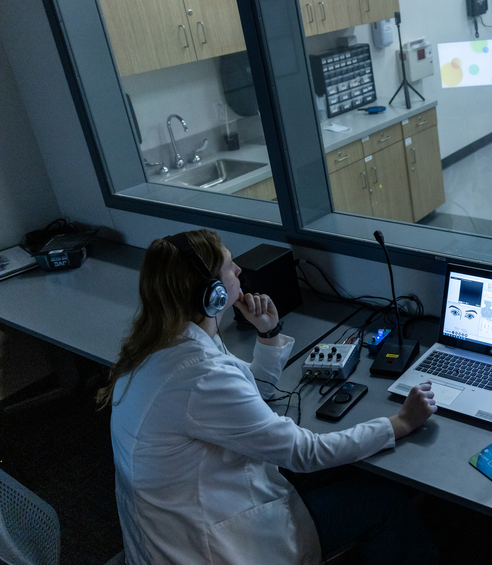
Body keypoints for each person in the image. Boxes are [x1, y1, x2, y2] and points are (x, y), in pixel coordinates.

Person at [96, 229, 439, 564]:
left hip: (175, 526)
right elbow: (305, 453)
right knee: (382, 500)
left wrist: (268, 333)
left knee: (344, 473)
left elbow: (242, 402)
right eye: (229, 265)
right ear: (213, 292)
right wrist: (400, 422)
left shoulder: (159, 344)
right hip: (211, 546)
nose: (239, 270)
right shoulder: (201, 375)